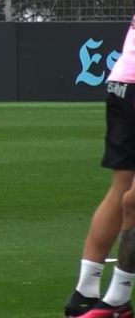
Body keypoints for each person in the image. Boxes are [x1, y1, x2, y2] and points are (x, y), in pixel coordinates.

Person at [63, 16, 135, 317]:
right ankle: (92, 291)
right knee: (124, 194)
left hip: (124, 81)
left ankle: (114, 295)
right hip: (126, 83)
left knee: (128, 197)